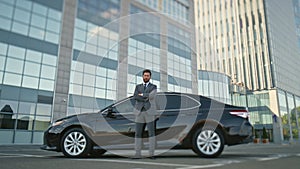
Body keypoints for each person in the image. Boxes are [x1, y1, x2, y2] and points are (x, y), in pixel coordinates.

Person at [132, 69, 157, 159]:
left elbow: (152, 96)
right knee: (138, 134)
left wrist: (142, 95)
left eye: (148, 76)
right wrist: (145, 96)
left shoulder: (154, 86)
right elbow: (135, 96)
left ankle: (151, 154)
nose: (146, 77)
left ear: (150, 77)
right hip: (139, 112)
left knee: (151, 133)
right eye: (145, 75)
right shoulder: (137, 87)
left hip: (150, 112)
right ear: (142, 76)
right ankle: (137, 153)